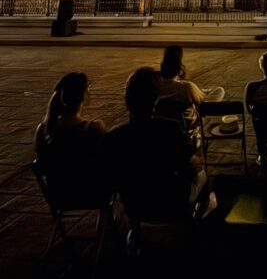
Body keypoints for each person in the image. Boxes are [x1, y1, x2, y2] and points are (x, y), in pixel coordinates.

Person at [106, 67, 211, 228]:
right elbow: (190, 167)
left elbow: (110, 180)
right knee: (202, 174)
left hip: (135, 207)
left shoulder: (115, 136)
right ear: (155, 99)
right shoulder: (169, 130)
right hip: (170, 203)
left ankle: (135, 231)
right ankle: (198, 219)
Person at [34, 72, 109, 207]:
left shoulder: (43, 130)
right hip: (92, 194)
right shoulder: (93, 129)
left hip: (59, 196)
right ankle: (107, 218)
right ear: (84, 96)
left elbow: (41, 163)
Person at [158, 45, 225, 118]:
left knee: (198, 91)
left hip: (166, 122)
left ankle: (200, 91)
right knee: (219, 90)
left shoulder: (155, 84)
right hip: (188, 123)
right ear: (180, 69)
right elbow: (201, 101)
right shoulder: (186, 87)